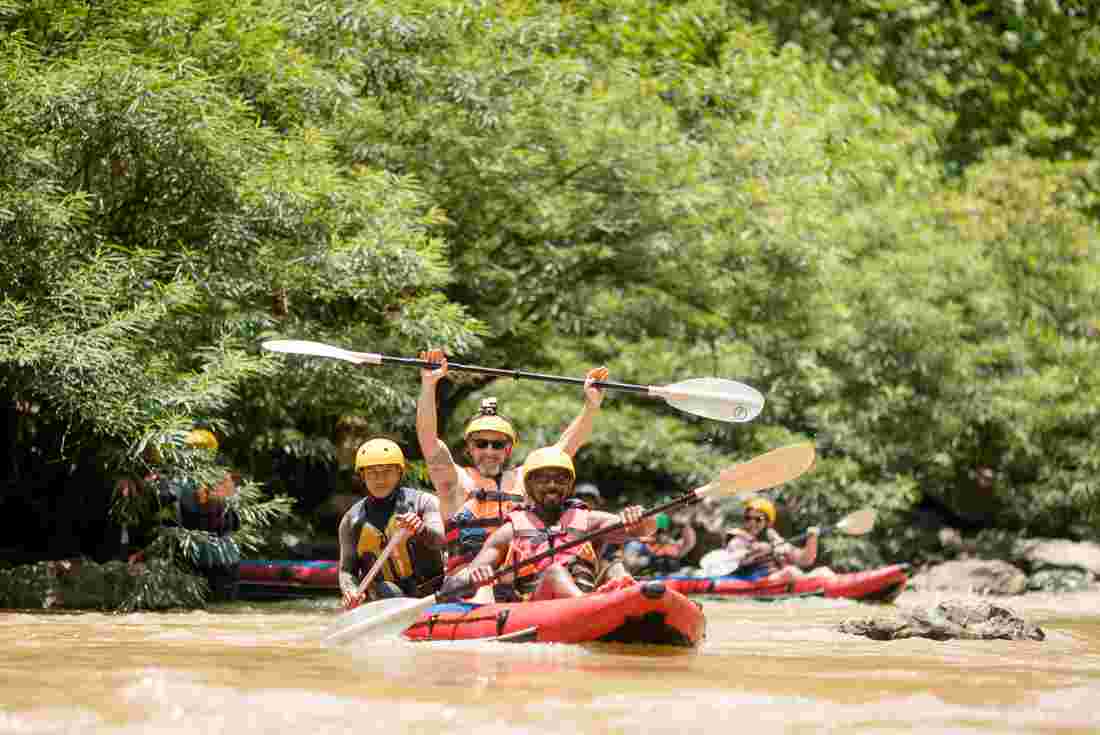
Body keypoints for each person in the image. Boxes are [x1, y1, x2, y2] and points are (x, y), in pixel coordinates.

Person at [417, 347, 609, 598]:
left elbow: (565, 447)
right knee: (483, 591)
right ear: (469, 448)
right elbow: (429, 441)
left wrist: (591, 405)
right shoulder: (456, 482)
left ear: (508, 449)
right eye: (481, 443)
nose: (489, 451)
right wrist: (429, 385)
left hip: (516, 581)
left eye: (497, 444)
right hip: (470, 580)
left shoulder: (523, 480)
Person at [441, 446, 653, 601]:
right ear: (529, 486)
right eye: (543, 480)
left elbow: (645, 529)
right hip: (534, 604)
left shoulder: (588, 521)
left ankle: (630, 602)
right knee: (554, 572)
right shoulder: (510, 531)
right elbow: (459, 580)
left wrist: (640, 519)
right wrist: (476, 577)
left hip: (587, 597)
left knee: (616, 568)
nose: (552, 485)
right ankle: (590, 606)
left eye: (560, 480)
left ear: (570, 486)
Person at [337, 438, 446, 609]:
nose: (380, 479)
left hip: (431, 594)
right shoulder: (350, 521)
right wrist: (350, 590)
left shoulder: (425, 503)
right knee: (386, 589)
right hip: (385, 599)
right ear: (362, 475)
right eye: (372, 472)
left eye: (387, 471)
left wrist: (421, 529)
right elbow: (347, 571)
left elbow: (440, 540)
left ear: (399, 473)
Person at [723, 497, 833, 581]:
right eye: (748, 518)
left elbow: (804, 560)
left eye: (758, 519)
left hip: (778, 579)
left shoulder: (774, 539)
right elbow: (734, 559)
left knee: (824, 571)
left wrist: (812, 540)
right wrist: (756, 551)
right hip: (753, 580)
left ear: (767, 521)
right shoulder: (738, 540)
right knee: (790, 571)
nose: (752, 523)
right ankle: (810, 583)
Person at [622, 512, 697, 577]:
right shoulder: (637, 545)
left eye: (663, 532)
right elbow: (630, 561)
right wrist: (644, 561)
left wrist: (684, 526)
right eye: (659, 532)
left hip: (671, 576)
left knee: (689, 571)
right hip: (648, 575)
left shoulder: (673, 545)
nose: (662, 535)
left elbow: (689, 543)